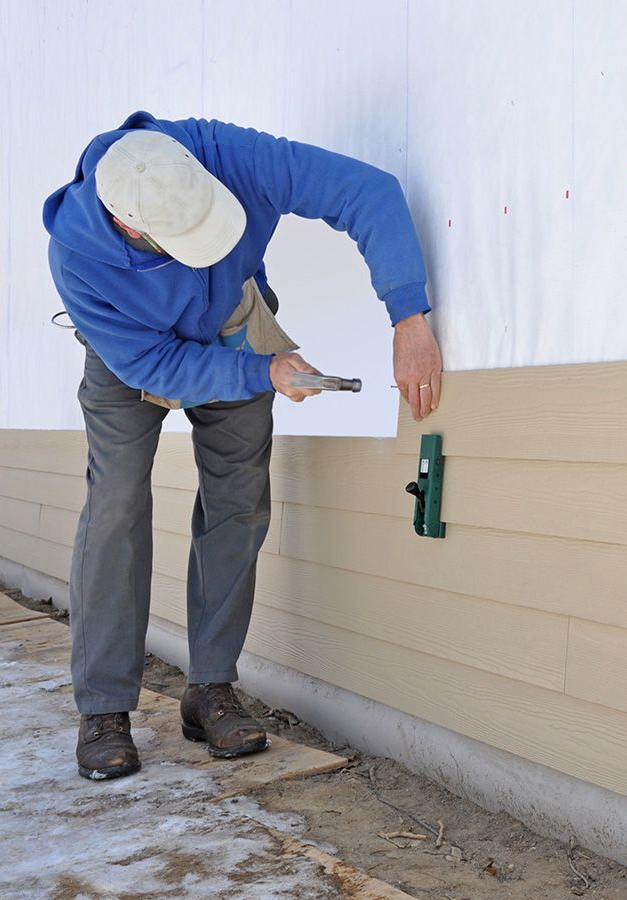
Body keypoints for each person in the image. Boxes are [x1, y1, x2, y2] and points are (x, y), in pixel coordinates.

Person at [42, 110, 442, 780]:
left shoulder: (230, 154)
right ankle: (105, 708)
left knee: (239, 503)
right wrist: (263, 372)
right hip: (132, 357)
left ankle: (210, 690)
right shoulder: (77, 256)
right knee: (115, 506)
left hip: (234, 319)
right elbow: (154, 368)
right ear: (130, 227)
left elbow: (368, 191)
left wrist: (409, 314)